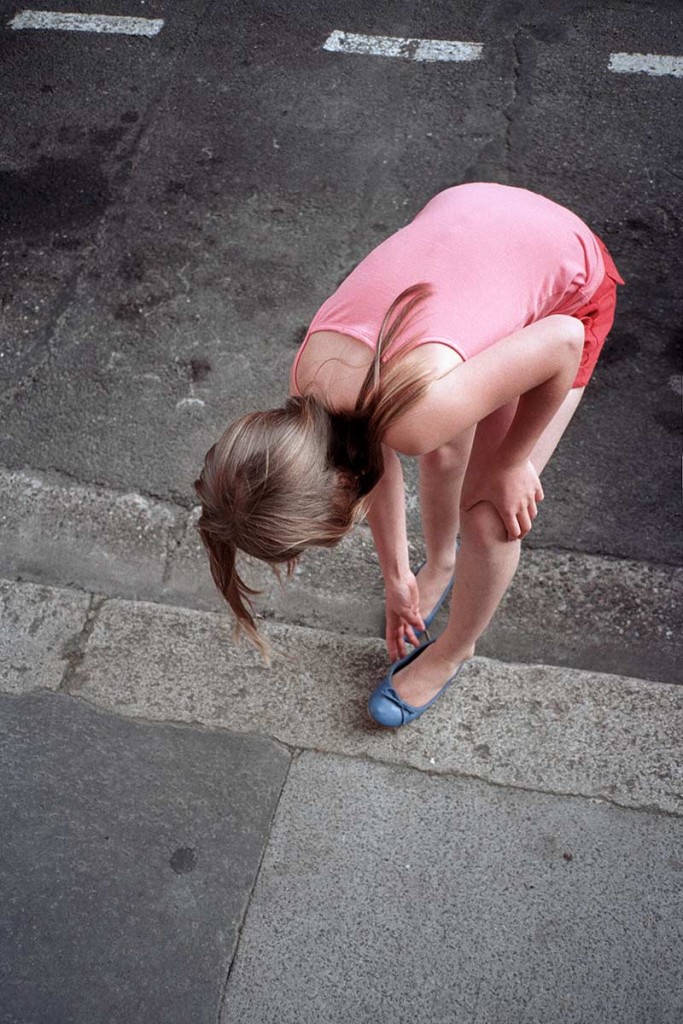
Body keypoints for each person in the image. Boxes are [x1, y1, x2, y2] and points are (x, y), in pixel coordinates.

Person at [195, 182, 624, 728]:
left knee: (490, 512)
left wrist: (511, 463)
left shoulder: (414, 415)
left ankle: (454, 650)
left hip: (571, 281)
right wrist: (397, 577)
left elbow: (563, 340)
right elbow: (373, 460)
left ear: (340, 486)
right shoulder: (310, 382)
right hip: (473, 213)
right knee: (440, 448)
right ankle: (441, 562)